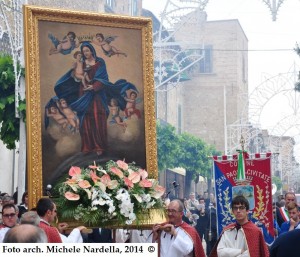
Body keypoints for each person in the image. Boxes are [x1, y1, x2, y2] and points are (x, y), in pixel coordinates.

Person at [53, 41, 137, 155]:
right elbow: (77, 76)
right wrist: (76, 75)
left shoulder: (100, 62)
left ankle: (99, 146)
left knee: (98, 118)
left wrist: (94, 86)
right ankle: (87, 146)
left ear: (92, 50)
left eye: (87, 50)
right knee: (85, 119)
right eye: (83, 52)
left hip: (97, 95)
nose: (85, 53)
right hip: (84, 94)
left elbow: (103, 78)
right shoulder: (81, 63)